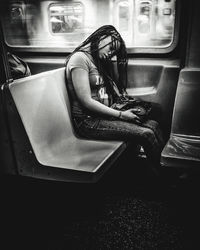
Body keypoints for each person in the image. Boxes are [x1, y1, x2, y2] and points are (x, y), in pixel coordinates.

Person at [65, 25, 165, 175]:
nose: (110, 54)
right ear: (100, 37)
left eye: (114, 52)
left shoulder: (98, 61)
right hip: (88, 121)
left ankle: (163, 169)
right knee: (146, 134)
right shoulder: (80, 59)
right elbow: (86, 101)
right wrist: (121, 115)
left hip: (104, 116)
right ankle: (161, 177)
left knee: (154, 125)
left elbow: (114, 87)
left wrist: (122, 108)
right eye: (110, 47)